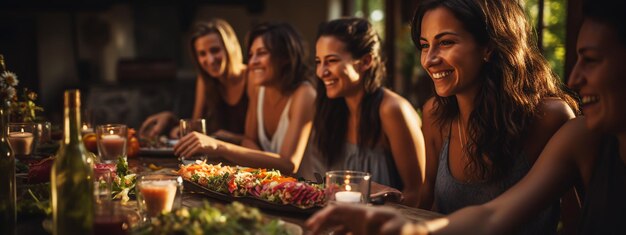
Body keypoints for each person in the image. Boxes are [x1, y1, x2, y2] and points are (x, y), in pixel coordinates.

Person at [306, 0, 626, 234]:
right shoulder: (434, 114)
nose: (430, 59)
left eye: (445, 42)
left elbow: (573, 223)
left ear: (488, 46)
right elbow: (429, 207)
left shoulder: (551, 118)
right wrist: (396, 217)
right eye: (424, 45)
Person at [173, 22, 316, 175]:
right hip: (271, 187)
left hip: (306, 191)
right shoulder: (260, 87)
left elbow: (289, 164)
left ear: (285, 56)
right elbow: (249, 140)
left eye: (261, 53)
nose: (253, 62)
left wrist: (220, 147)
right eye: (251, 55)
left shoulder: (304, 94)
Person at [311, 18, 425, 206]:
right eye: (318, 62)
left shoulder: (392, 110)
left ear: (365, 61)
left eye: (331, 61)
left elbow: (419, 193)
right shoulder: (333, 110)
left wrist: (384, 197)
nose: (321, 72)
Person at [139, 19, 248, 144]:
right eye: (202, 54)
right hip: (220, 159)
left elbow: (262, 141)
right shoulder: (205, 79)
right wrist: (171, 120)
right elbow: (196, 127)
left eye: (215, 50)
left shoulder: (252, 77)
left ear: (231, 47)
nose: (210, 60)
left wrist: (231, 138)